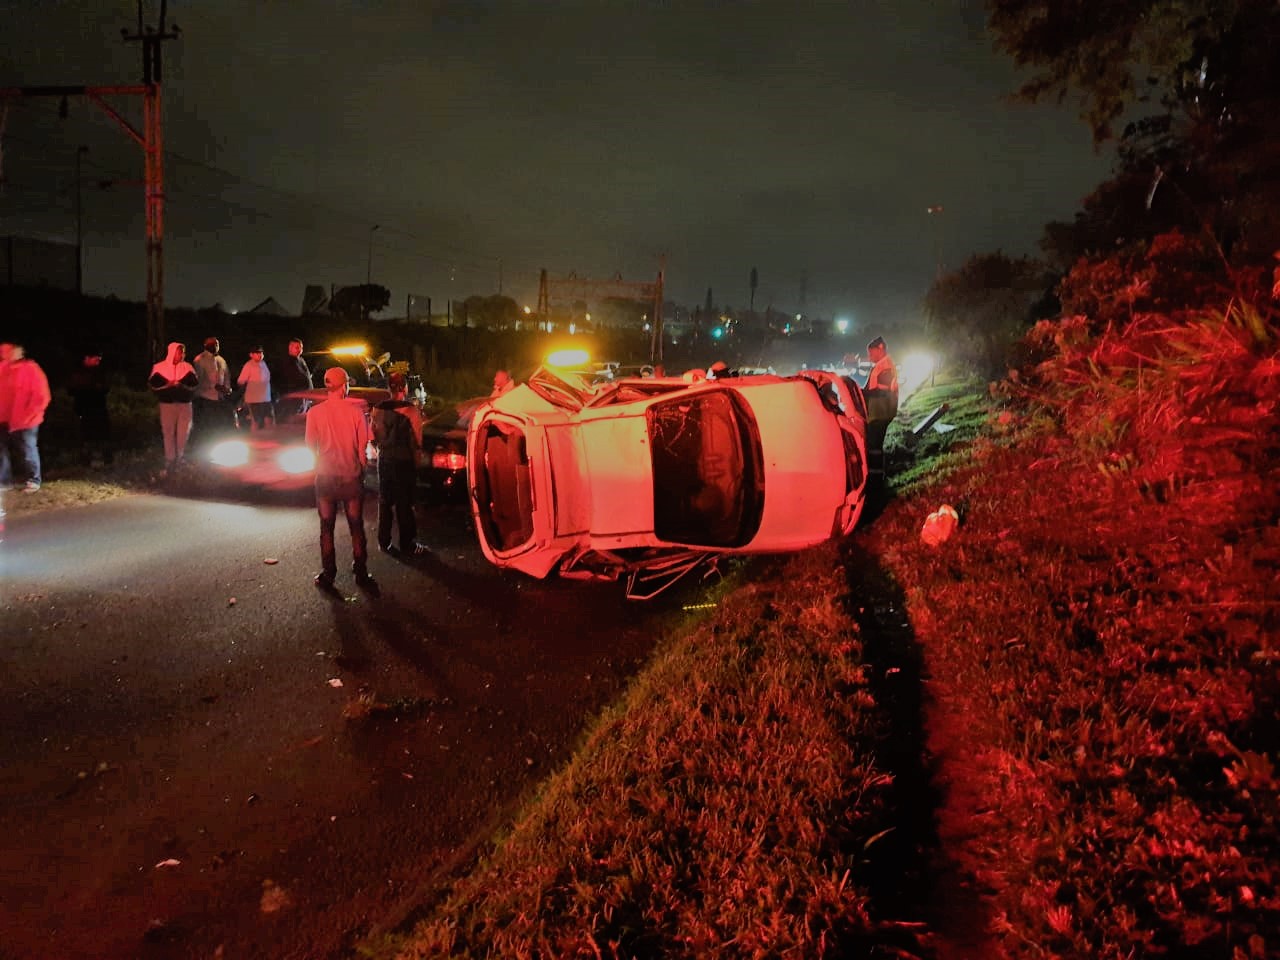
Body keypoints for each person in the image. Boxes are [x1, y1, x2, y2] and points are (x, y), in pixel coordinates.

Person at [305, 367, 375, 592]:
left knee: (327, 527)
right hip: (350, 477)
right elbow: (364, 448)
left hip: (325, 477)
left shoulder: (314, 413)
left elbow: (310, 446)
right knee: (356, 525)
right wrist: (362, 469)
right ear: (344, 385)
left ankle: (328, 574)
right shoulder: (355, 413)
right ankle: (361, 572)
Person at [372, 371, 428, 557]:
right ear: (405, 388)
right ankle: (407, 543)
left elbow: (373, 436)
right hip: (404, 460)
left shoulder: (378, 409)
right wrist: (418, 461)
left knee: (385, 500)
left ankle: (384, 540)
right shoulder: (411, 410)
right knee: (404, 502)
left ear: (388, 388)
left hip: (384, 459)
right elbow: (417, 440)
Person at [0, 342, 52, 492]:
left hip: (26, 420)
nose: (4, 353)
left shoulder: (31, 369)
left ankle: (33, 479)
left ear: (19, 351)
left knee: (27, 450)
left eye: (7, 350)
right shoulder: (3, 368)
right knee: (1, 450)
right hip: (4, 418)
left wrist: (31, 414)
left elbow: (42, 395)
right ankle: (3, 481)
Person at [148, 341, 199, 474]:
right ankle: (169, 459)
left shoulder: (187, 367)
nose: (182, 355)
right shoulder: (159, 367)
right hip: (167, 404)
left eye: (183, 352)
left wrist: (182, 386)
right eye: (179, 352)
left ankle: (180, 458)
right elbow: (153, 385)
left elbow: (194, 384)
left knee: (184, 432)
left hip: (185, 404)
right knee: (168, 432)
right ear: (172, 352)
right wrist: (167, 385)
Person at [67, 348, 114, 466]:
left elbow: (105, 388)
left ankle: (105, 459)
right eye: (96, 358)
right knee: (86, 435)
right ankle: (86, 459)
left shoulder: (100, 372)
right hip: (84, 409)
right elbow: (72, 390)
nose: (99, 360)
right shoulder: (78, 372)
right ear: (87, 358)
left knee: (103, 434)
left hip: (99, 408)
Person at [862, 335, 900, 483]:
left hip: (881, 412)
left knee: (874, 447)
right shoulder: (880, 365)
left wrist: (862, 393)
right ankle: (875, 476)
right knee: (874, 445)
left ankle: (875, 479)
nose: (869, 356)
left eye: (871, 352)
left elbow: (881, 391)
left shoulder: (886, 366)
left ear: (880, 349)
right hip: (878, 412)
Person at [191, 336, 232, 445]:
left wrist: (226, 388)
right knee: (207, 425)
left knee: (218, 424)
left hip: (220, 398)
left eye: (216, 344)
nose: (215, 346)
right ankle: (205, 447)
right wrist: (212, 386)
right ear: (206, 346)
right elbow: (198, 380)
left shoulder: (221, 360)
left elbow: (226, 375)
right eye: (212, 344)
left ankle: (216, 445)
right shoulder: (200, 359)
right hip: (205, 398)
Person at [236, 346, 274, 430]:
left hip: (266, 398)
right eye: (257, 353)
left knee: (269, 419)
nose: (260, 355)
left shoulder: (264, 364)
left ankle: (268, 437)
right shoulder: (249, 365)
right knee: (256, 420)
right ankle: (255, 438)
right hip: (254, 399)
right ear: (251, 355)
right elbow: (241, 380)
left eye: (261, 353)